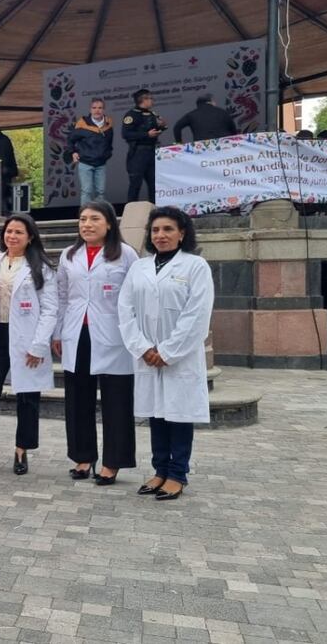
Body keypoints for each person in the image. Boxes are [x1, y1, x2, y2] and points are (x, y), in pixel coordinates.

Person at [118, 207, 214, 500]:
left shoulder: (196, 266)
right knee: (156, 413)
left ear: (182, 233)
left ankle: (177, 474)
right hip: (147, 354)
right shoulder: (139, 267)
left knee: (178, 414)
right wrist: (143, 348)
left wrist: (168, 351)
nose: (161, 235)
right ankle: (159, 470)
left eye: (168, 229)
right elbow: (125, 310)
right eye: (156, 230)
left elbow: (197, 314)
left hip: (179, 357)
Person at [53, 201, 139, 485]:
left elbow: (136, 297)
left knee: (116, 399)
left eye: (94, 219)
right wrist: (57, 332)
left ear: (110, 224)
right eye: (82, 219)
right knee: (78, 399)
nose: (87, 224)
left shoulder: (126, 255)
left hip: (114, 335)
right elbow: (62, 296)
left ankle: (113, 461)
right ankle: (83, 457)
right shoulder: (69, 255)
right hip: (77, 333)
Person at [0, 215, 57, 476]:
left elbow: (50, 310)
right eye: (9, 231)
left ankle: (22, 449)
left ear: (30, 237)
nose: (13, 236)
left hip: (28, 338)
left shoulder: (41, 267)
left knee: (28, 396)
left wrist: (39, 345)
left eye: (19, 232)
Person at [122, 89, 167, 202]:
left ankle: (155, 210)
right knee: (135, 183)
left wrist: (162, 126)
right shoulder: (131, 115)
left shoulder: (153, 114)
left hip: (152, 152)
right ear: (143, 99)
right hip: (138, 153)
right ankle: (131, 210)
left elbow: (155, 129)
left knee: (154, 183)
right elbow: (126, 134)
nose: (152, 101)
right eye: (150, 98)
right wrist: (146, 135)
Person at [67, 98, 114, 205]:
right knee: (86, 191)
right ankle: (84, 217)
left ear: (104, 110)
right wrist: (73, 152)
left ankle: (100, 215)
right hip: (85, 163)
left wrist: (107, 154)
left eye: (100, 108)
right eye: (94, 108)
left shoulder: (108, 124)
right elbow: (70, 139)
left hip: (101, 163)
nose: (97, 110)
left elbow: (109, 143)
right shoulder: (82, 124)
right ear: (90, 109)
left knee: (100, 192)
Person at [172, 94, 238, 143]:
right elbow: (232, 128)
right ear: (210, 102)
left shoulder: (191, 115)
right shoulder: (222, 112)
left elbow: (177, 127)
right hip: (224, 143)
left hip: (203, 145)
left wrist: (179, 143)